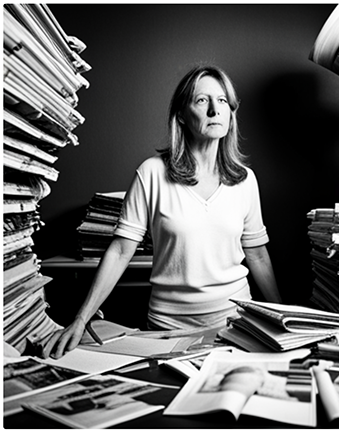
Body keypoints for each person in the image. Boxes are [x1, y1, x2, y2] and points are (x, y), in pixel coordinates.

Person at [41, 64, 282, 359]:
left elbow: (257, 254)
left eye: (222, 101)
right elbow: (119, 251)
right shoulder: (152, 173)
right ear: (181, 115)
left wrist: (281, 319)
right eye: (201, 100)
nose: (214, 110)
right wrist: (80, 319)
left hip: (235, 326)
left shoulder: (245, 179)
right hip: (166, 330)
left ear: (231, 114)